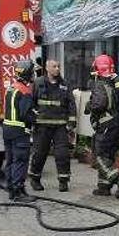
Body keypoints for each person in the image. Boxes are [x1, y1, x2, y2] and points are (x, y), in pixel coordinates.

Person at [85, 54, 119, 198]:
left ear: (98, 69)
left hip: (106, 125)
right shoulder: (113, 81)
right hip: (116, 124)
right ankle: (103, 187)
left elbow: (99, 103)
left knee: (98, 155)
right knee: (108, 155)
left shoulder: (100, 83)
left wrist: (90, 105)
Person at [28, 59, 77, 192]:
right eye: (54, 66)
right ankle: (35, 178)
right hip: (42, 126)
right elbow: (30, 103)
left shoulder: (64, 85)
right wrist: (32, 119)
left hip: (60, 126)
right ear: (47, 68)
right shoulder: (38, 83)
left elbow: (71, 104)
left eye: (58, 66)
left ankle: (63, 180)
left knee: (63, 154)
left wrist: (71, 123)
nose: (57, 69)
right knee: (39, 154)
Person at [0, 60, 36, 201]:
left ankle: (11, 188)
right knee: (20, 161)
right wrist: (35, 117)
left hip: (7, 129)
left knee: (10, 160)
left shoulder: (11, 88)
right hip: (19, 131)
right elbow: (25, 114)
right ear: (27, 74)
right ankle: (18, 192)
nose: (34, 75)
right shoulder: (25, 91)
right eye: (32, 72)